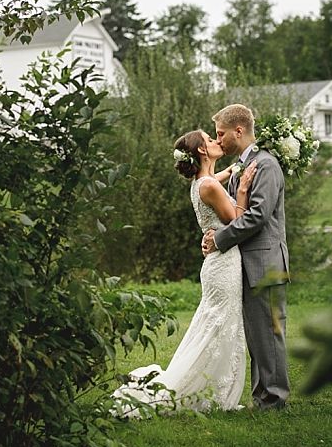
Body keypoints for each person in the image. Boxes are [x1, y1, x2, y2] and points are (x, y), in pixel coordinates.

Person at [110, 129, 258, 418]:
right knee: (218, 326)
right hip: (224, 264)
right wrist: (242, 192)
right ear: (203, 151)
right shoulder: (209, 186)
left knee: (215, 324)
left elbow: (222, 174)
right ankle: (204, 391)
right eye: (211, 139)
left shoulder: (202, 182)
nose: (217, 142)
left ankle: (215, 389)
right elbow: (237, 222)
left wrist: (240, 165)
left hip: (216, 263)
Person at [202, 104, 290, 411]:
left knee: (269, 331)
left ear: (239, 131)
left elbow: (257, 217)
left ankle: (274, 399)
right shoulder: (243, 165)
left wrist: (219, 240)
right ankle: (262, 397)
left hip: (265, 262)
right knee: (257, 333)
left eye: (221, 134)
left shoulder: (265, 165)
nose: (219, 139)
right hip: (249, 262)